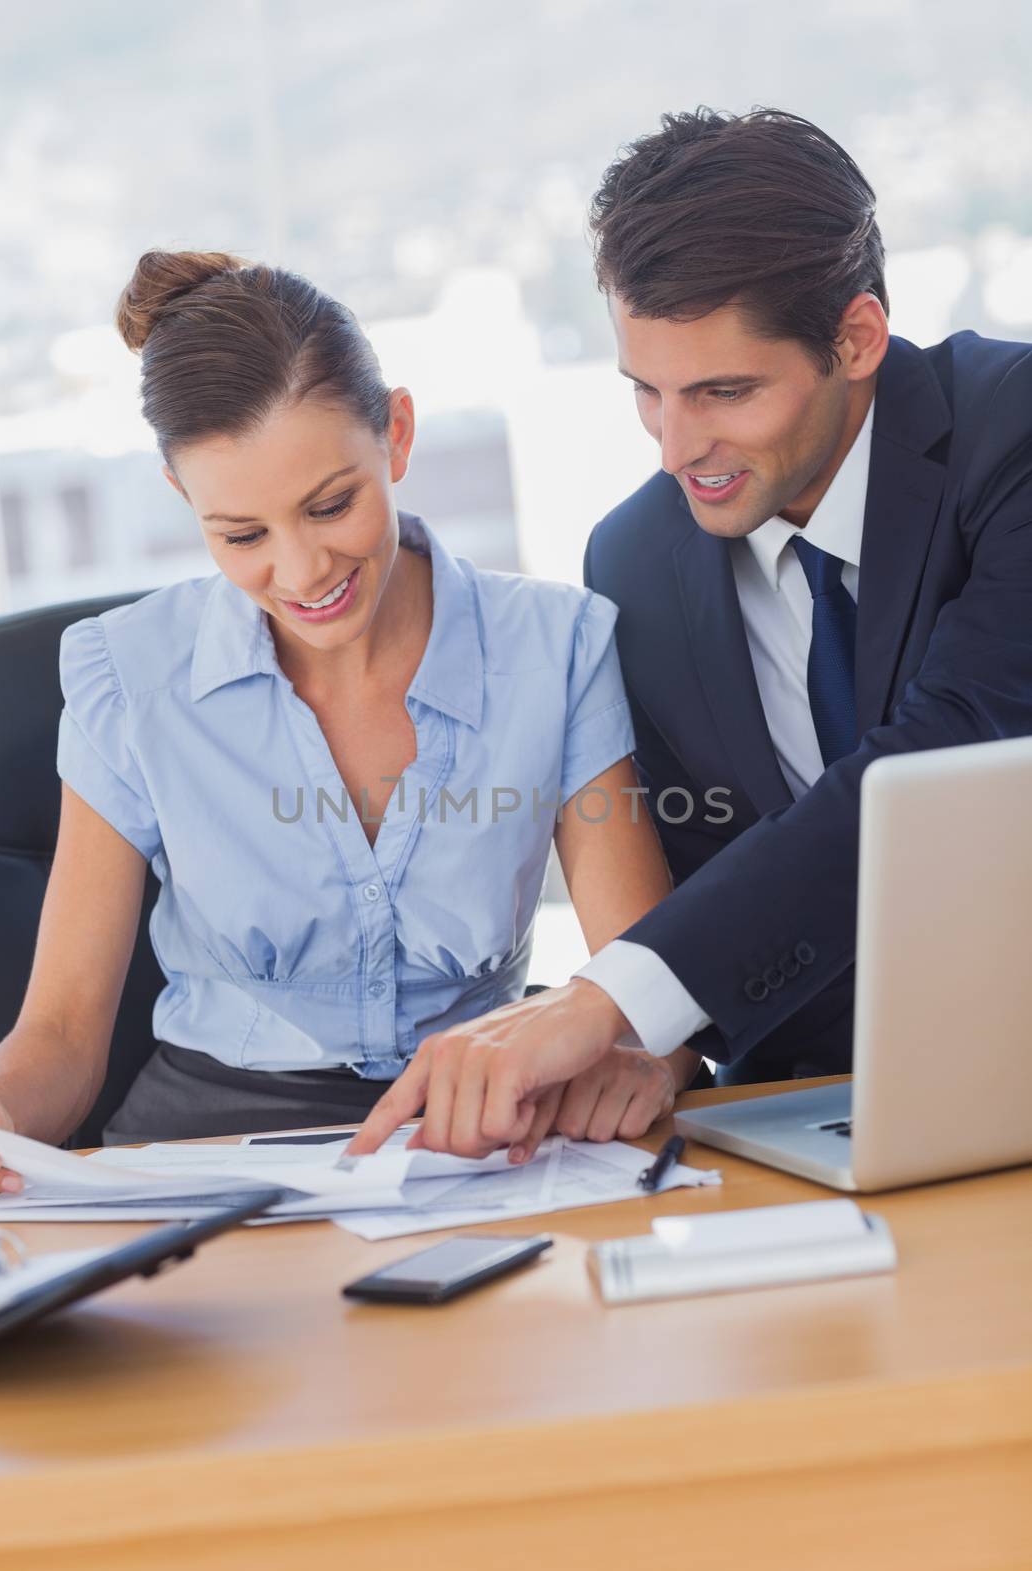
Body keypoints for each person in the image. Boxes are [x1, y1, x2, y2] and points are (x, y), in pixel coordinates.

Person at [350, 106, 1032, 1161]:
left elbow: (949, 743)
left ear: (854, 340)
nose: (678, 449)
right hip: (830, 1116)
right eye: (646, 394)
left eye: (724, 392)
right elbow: (730, 871)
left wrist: (605, 999)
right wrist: (652, 1052)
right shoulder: (636, 562)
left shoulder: (1011, 436)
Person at [0, 249, 702, 1201]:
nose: (303, 569)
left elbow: (641, 985)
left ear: (395, 436)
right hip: (203, 1159)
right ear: (184, 500)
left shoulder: (553, 647)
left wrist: (646, 1064)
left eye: (332, 505)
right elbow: (60, 1042)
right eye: (242, 535)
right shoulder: (130, 676)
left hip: (480, 1142)